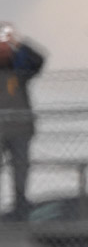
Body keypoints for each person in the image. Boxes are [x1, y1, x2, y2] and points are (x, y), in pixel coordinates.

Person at [0, 22, 45, 221]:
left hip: (19, 130)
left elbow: (38, 61)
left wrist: (17, 43)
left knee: (20, 169)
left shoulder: (19, 70)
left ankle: (20, 208)